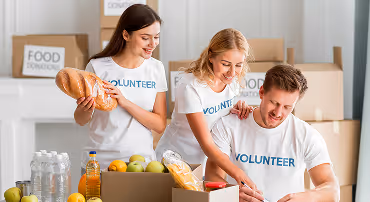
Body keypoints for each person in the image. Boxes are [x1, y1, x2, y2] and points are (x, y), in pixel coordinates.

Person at [206, 64, 340, 202]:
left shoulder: (306, 135)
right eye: (274, 102)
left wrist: (305, 198)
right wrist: (231, 195)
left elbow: (332, 191)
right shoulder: (228, 126)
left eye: (287, 107)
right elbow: (211, 176)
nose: (278, 113)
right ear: (262, 92)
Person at [155, 28, 256, 188]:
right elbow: (208, 145)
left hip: (204, 164)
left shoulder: (231, 82)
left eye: (238, 65)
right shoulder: (190, 87)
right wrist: (238, 173)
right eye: (225, 64)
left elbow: (217, 115)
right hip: (175, 161)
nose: (232, 72)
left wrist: (235, 108)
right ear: (211, 56)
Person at [74, 4, 167, 171]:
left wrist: (125, 102)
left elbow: (160, 124)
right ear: (126, 35)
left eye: (157, 37)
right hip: (99, 163)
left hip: (141, 164)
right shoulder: (98, 67)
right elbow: (80, 120)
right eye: (145, 38)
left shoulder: (156, 68)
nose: (153, 44)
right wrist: (86, 109)